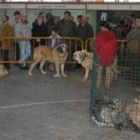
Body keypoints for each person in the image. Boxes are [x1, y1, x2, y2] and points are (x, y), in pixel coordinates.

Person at [95, 21, 117, 88]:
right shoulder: (113, 34)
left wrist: (96, 51)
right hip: (110, 54)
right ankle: (107, 84)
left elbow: (98, 45)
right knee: (108, 70)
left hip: (101, 54)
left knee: (99, 70)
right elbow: (115, 44)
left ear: (103, 27)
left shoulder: (100, 35)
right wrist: (114, 53)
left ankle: (98, 84)